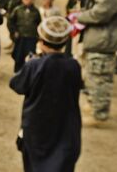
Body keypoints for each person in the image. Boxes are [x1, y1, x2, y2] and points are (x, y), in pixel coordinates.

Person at [10, 16, 82, 172]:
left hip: (37, 129)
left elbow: (16, 85)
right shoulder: (74, 66)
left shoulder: (34, 65)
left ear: (41, 41)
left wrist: (30, 61)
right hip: (65, 129)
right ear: (64, 41)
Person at [9, 0, 42, 73]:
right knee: (19, 56)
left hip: (32, 37)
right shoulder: (17, 10)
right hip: (21, 37)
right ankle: (18, 73)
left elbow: (39, 23)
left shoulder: (36, 11)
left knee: (31, 56)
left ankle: (29, 73)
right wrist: (14, 32)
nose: (29, 0)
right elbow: (11, 22)